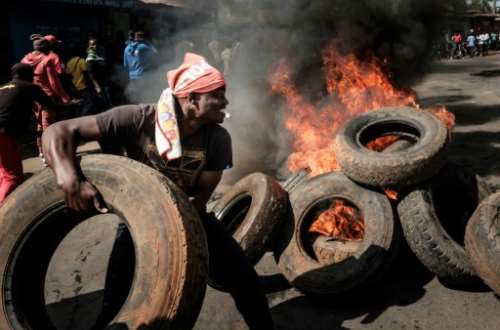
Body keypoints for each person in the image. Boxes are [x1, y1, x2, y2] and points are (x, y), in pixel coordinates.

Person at [42, 53, 273, 329]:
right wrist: (70, 179)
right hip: (139, 216)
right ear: (191, 98)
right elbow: (59, 130)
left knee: (244, 279)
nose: (225, 102)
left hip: (190, 213)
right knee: (116, 300)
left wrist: (180, 218)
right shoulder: (139, 118)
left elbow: (202, 196)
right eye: (218, 95)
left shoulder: (218, 138)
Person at [0, 63, 73, 202]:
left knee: (3, 173)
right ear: (26, 75)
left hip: (4, 134)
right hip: (4, 134)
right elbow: (50, 105)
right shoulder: (30, 87)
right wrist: (69, 105)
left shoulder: (2, 87)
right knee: (12, 177)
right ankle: (4, 213)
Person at [21, 36, 71, 160]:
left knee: (40, 124)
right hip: (46, 97)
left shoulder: (25, 59)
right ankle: (51, 154)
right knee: (48, 125)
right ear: (46, 48)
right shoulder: (46, 60)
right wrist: (65, 97)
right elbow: (54, 83)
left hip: (33, 98)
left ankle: (42, 152)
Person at [123, 31, 158, 102]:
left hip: (132, 76)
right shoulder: (145, 46)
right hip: (143, 75)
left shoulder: (126, 48)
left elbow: (125, 65)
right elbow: (156, 54)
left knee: (136, 96)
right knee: (145, 96)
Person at [86, 37, 112, 114]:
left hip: (103, 82)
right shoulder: (90, 57)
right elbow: (91, 73)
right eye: (92, 44)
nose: (94, 46)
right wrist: (97, 86)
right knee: (102, 103)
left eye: (95, 44)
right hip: (98, 85)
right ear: (89, 46)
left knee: (106, 103)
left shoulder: (97, 54)